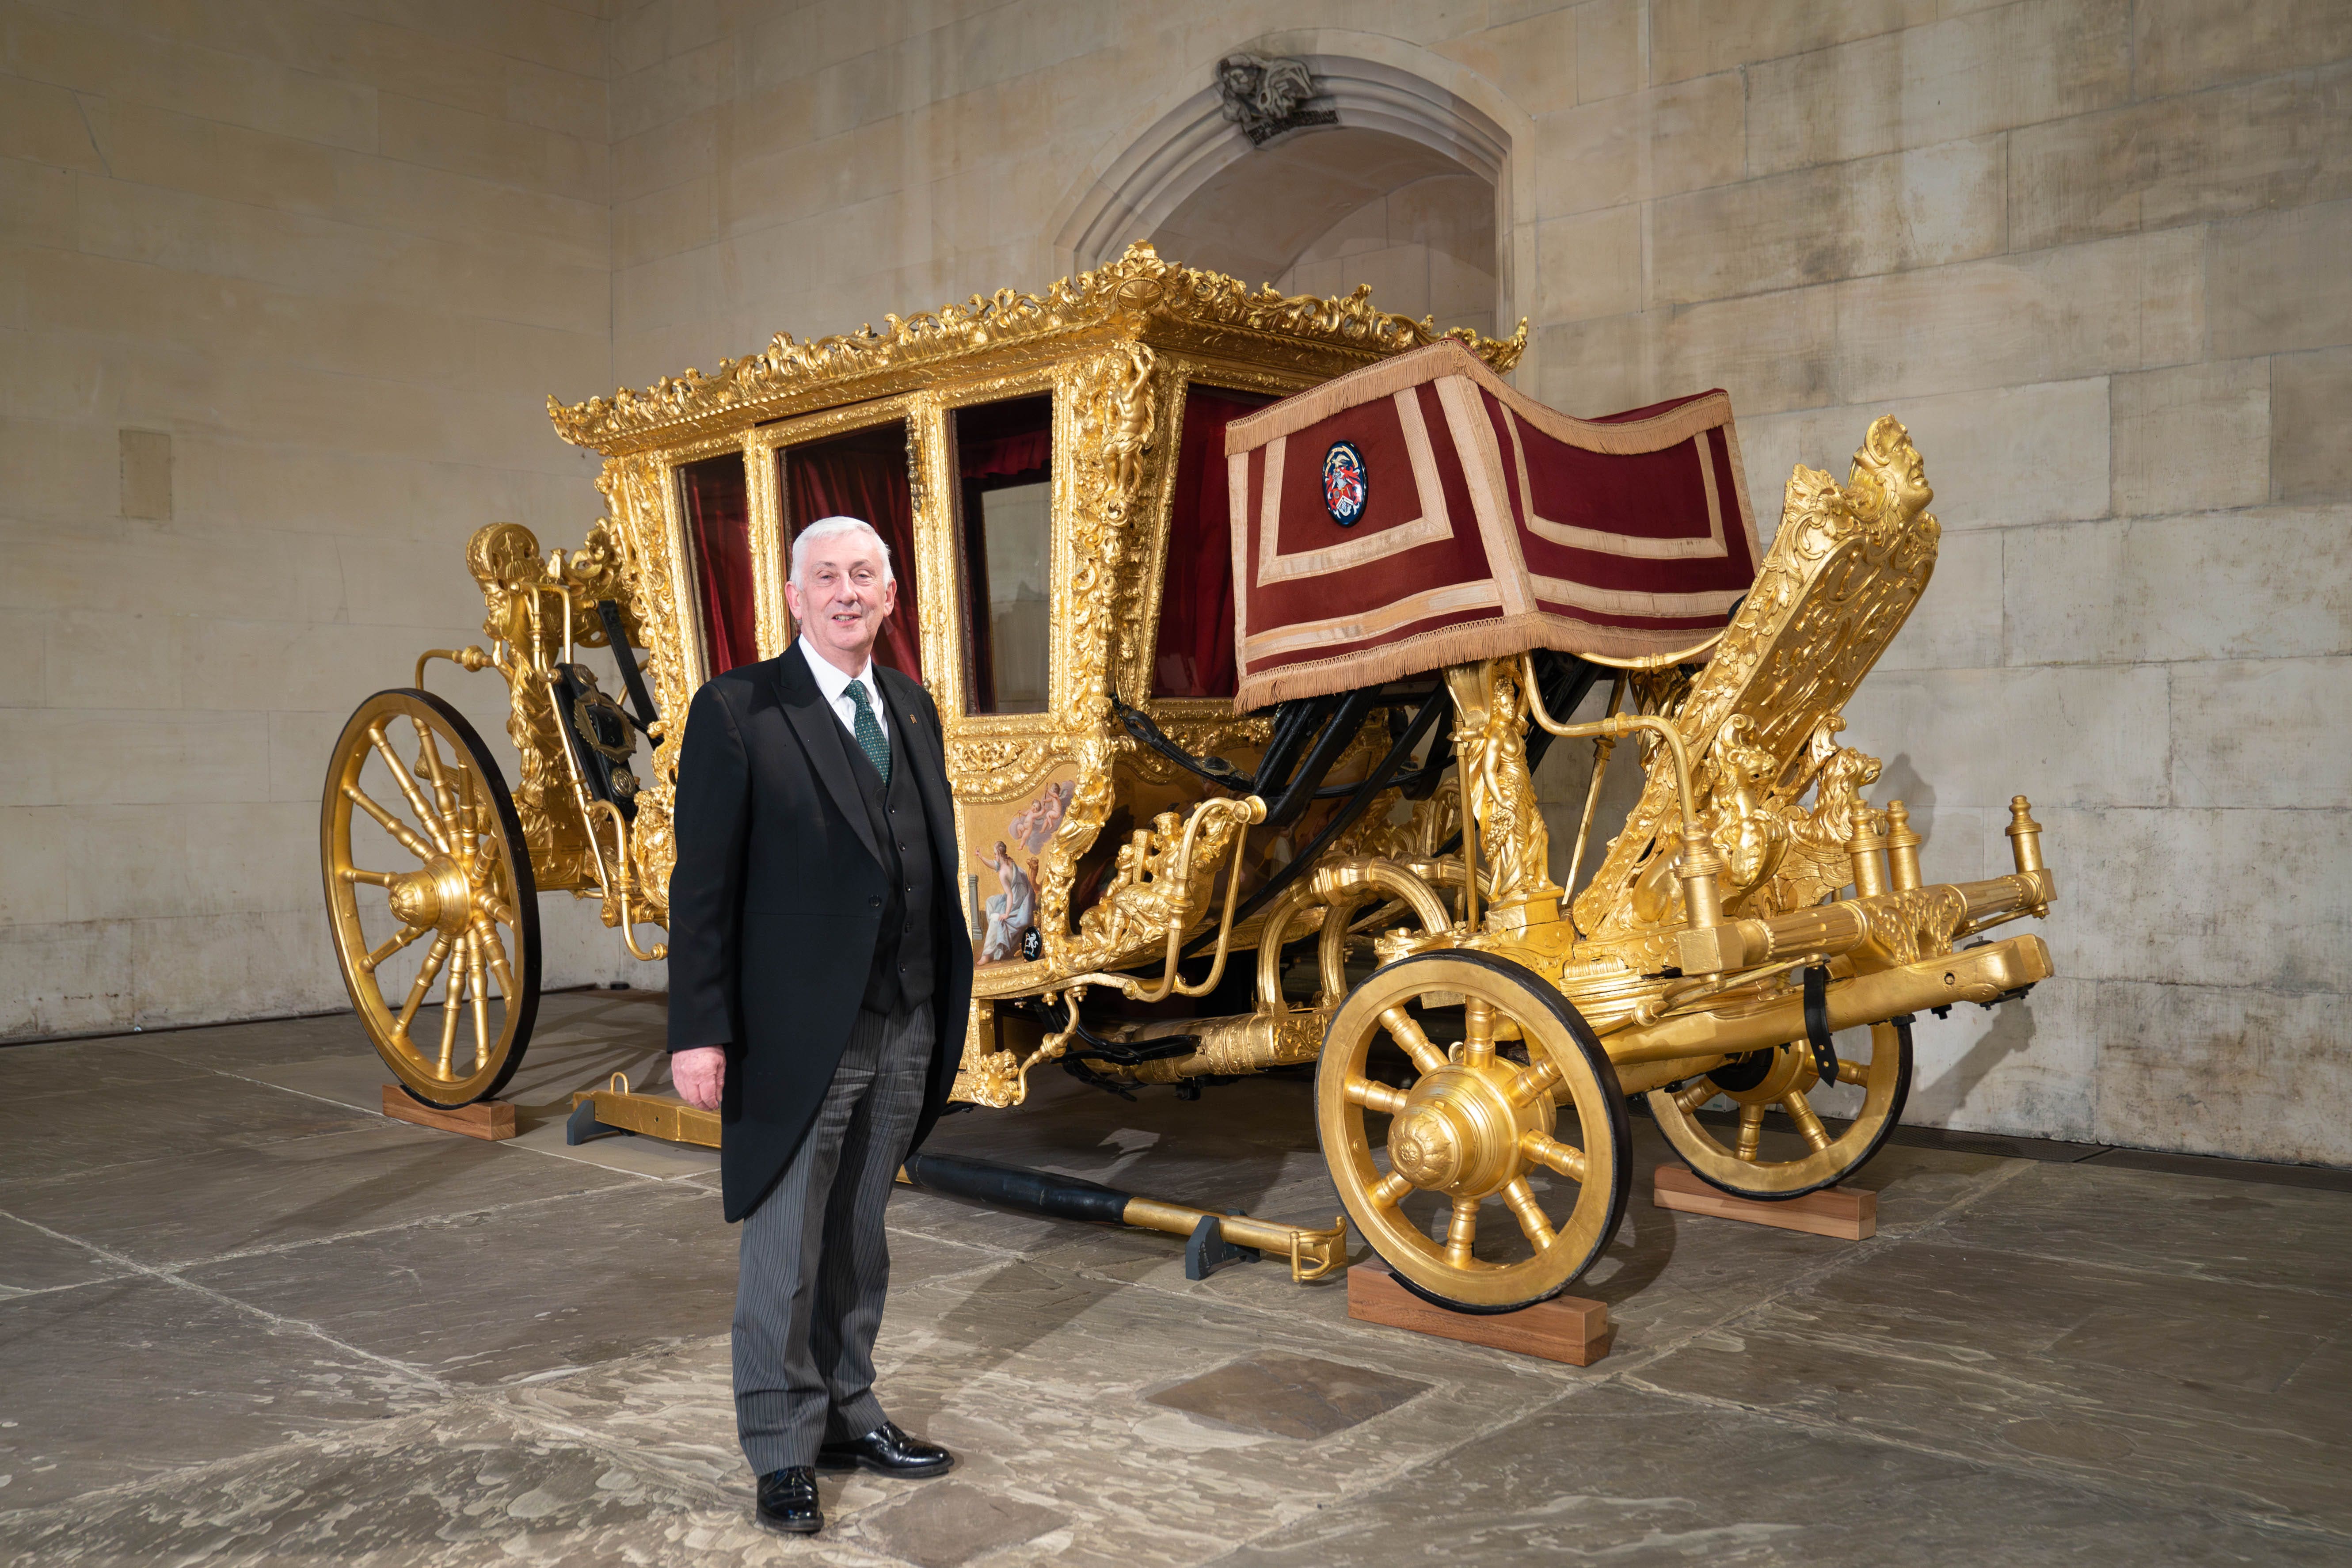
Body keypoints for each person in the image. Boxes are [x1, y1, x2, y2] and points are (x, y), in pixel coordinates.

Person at [666, 515, 972, 1538]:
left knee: (859, 1238)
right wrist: (698, 1032)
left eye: (866, 576)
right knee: (786, 1248)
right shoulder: (741, 710)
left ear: (891, 596)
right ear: (793, 597)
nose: (847, 592)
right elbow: (702, 888)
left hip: (907, 1018)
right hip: (797, 1033)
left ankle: (850, 1412)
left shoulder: (915, 710)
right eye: (826, 576)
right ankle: (782, 1449)